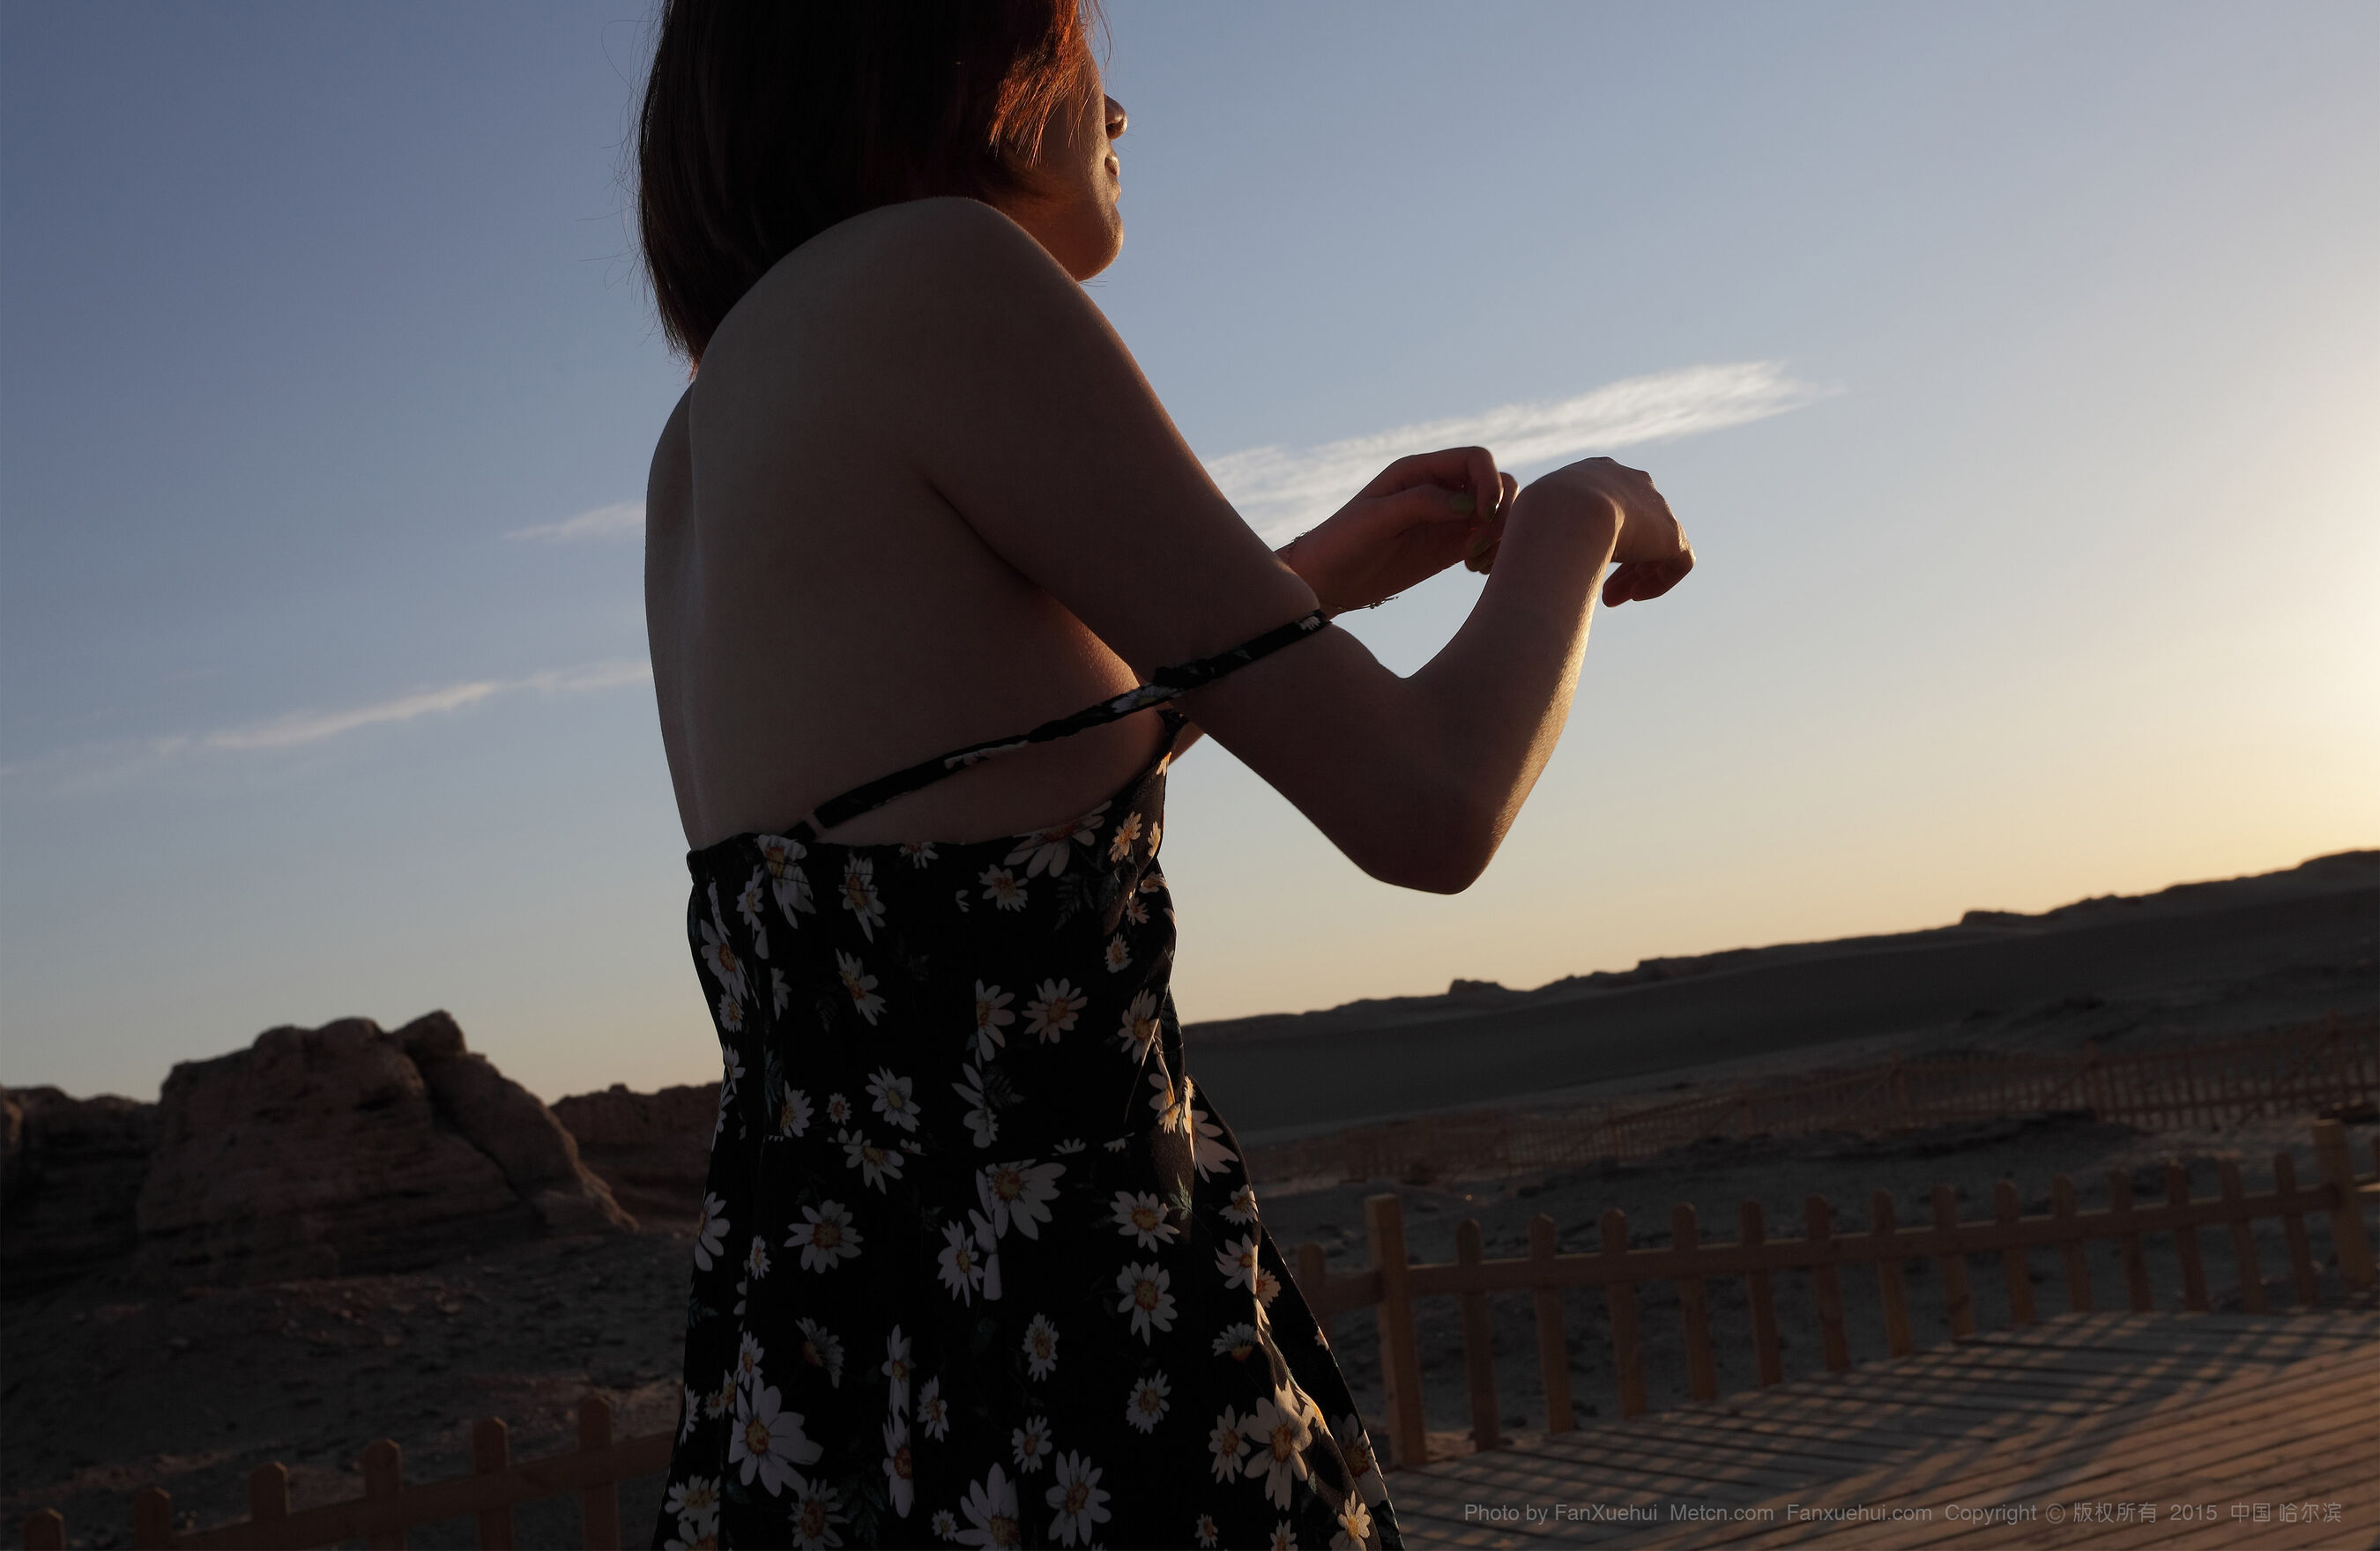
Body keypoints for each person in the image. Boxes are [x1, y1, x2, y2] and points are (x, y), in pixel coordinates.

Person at [635, 4, 1694, 1547]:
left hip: (820, 1389)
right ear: (951, 53)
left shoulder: (703, 435)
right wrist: (1579, 519)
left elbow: (973, 813)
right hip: (1079, 1371)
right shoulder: (939, 270)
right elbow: (1432, 803)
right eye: (1078, 48)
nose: (1117, 111)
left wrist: (1317, 576)